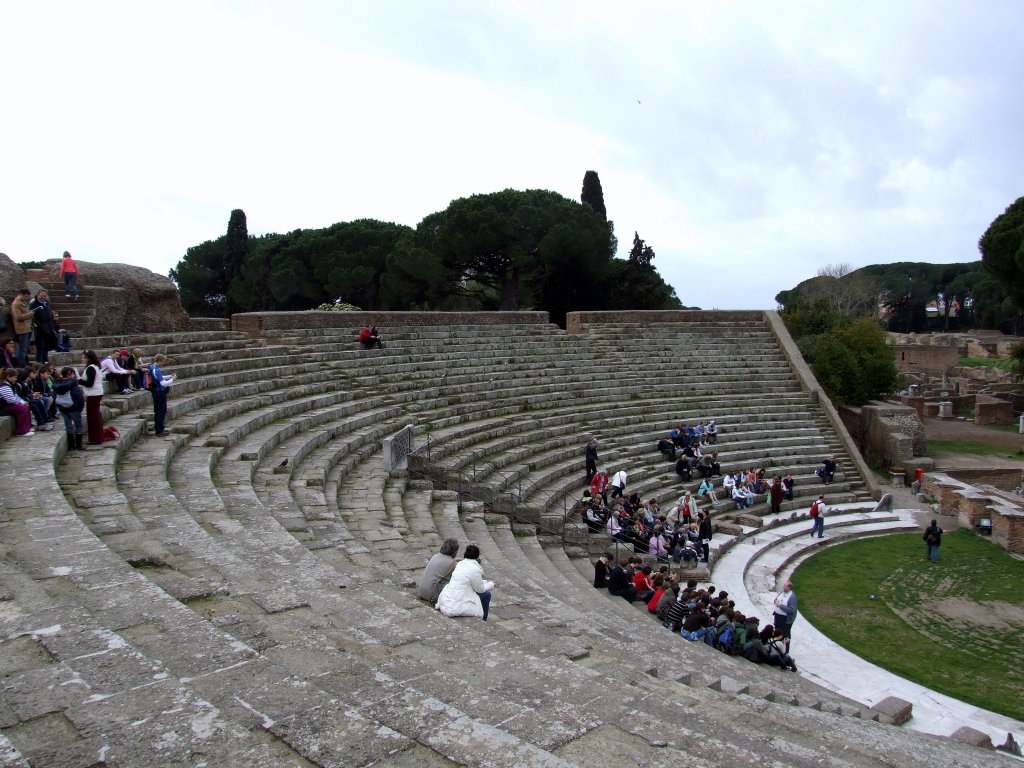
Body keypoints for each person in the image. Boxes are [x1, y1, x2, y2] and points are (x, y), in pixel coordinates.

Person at [436, 544, 494, 621]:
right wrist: (491, 584)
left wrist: (485, 582)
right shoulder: (475, 569)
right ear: (477, 557)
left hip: (447, 601)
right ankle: (484, 620)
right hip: (457, 605)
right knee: (487, 595)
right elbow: (480, 589)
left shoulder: (460, 564)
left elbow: (469, 581)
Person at [417, 538, 459, 603]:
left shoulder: (435, 556)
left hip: (422, 592)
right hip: (431, 595)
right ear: (454, 552)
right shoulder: (452, 563)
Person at [53, 367, 85, 451]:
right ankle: (79, 445)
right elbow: (79, 396)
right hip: (73, 407)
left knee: (68, 426)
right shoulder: (73, 383)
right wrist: (80, 408)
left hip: (62, 408)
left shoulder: (57, 383)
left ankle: (71, 446)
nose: (74, 375)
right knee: (78, 425)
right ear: (69, 373)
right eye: (73, 374)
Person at [79, 349, 104, 445]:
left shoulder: (91, 368)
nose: (82, 359)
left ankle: (96, 438)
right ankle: (96, 437)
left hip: (93, 394)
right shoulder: (95, 366)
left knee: (93, 417)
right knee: (95, 416)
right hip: (96, 393)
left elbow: (89, 383)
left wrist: (79, 380)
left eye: (83, 358)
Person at [0, 367, 35, 436]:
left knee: (25, 406)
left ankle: (27, 427)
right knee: (21, 408)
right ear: (8, 377)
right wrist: (21, 403)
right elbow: (11, 400)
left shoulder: (10, 385)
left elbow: (16, 396)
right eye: (15, 377)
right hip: (3, 408)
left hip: (7, 405)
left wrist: (22, 401)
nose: (16, 379)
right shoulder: (4, 386)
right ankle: (22, 431)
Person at [147, 354, 175, 436]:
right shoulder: (156, 370)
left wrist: (169, 376)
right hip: (159, 392)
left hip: (155, 391)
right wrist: (172, 379)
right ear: (159, 361)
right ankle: (159, 430)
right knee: (161, 411)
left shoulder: (152, 367)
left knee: (158, 411)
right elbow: (163, 383)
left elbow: (159, 378)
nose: (163, 363)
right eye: (163, 362)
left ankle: (159, 429)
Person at [11, 289, 33, 367]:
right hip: (22, 329)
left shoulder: (23, 302)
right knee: (22, 350)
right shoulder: (16, 303)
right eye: (26, 296)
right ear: (21, 294)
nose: (27, 298)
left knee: (25, 349)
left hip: (27, 328)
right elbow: (18, 317)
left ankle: (24, 364)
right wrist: (29, 314)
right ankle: (20, 366)